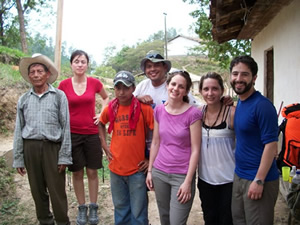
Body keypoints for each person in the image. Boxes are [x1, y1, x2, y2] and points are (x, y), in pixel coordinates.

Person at [13, 54, 72, 225]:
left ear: (47, 74)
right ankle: (45, 220)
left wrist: (64, 156)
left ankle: (62, 221)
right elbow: (19, 129)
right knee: (37, 191)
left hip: (52, 148)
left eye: (40, 71)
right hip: (30, 148)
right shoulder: (24, 99)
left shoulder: (59, 96)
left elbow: (66, 126)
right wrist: (18, 157)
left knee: (57, 190)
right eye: (32, 72)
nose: (36, 74)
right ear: (29, 76)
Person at [58, 50, 109, 225]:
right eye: (76, 61)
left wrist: (102, 113)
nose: (80, 64)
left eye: (83, 61)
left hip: (92, 132)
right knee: (77, 172)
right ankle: (82, 207)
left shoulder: (94, 83)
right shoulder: (63, 85)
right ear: (71, 64)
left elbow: (106, 97)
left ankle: (93, 206)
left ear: (87, 64)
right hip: (72, 134)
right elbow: (57, 104)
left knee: (93, 171)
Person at [146, 70, 202, 225]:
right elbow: (156, 142)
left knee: (177, 221)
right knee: (165, 219)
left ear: (186, 91)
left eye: (181, 86)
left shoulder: (193, 114)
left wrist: (188, 181)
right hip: (160, 172)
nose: (176, 89)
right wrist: (150, 171)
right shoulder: (159, 110)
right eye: (173, 84)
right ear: (167, 85)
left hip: (181, 176)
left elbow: (196, 149)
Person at [98, 71, 154, 225]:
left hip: (137, 170)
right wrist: (103, 144)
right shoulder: (111, 107)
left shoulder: (144, 108)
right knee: (121, 210)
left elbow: (158, 135)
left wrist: (150, 159)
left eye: (126, 88)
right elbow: (101, 123)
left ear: (133, 88)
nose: (121, 92)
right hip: (116, 168)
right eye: (118, 88)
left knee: (138, 213)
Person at [230, 55, 279, 224]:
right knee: (239, 221)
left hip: (259, 178)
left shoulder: (262, 106)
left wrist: (259, 180)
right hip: (239, 176)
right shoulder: (241, 103)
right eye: (235, 74)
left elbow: (271, 145)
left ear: (254, 78)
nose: (239, 79)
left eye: (244, 74)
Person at [198, 72, 236, 225]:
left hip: (229, 180)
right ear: (200, 91)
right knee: (210, 218)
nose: (210, 93)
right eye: (206, 89)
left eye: (214, 89)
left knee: (227, 220)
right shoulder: (197, 113)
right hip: (205, 179)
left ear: (222, 90)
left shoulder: (232, 113)